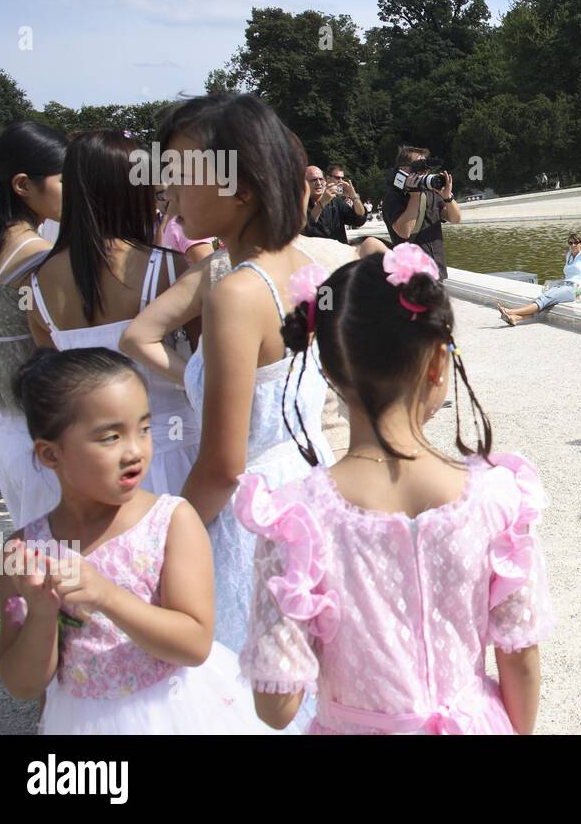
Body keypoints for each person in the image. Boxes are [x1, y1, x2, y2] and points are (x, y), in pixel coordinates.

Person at [235, 246, 553, 734]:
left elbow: (275, 706)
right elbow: (520, 659)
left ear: (329, 366)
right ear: (437, 363)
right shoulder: (499, 500)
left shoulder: (296, 519)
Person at [119, 94, 354, 658]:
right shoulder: (301, 267)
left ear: (241, 185)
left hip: (253, 514)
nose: (167, 190)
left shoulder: (235, 292)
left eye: (179, 173)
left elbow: (224, 466)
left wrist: (164, 546)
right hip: (308, 480)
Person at [0, 348, 267, 734]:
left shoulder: (173, 521)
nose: (135, 450)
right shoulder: (22, 553)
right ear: (50, 454)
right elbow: (22, 684)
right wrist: (41, 613)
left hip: (178, 712)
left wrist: (106, 596)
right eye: (110, 437)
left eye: (143, 428)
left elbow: (194, 645)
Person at [27, 130, 201, 497]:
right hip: (173, 454)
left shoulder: (38, 283)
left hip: (92, 469)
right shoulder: (169, 271)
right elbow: (207, 368)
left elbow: (50, 380)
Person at [0, 122, 67, 527]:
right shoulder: (38, 258)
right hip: (45, 437)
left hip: (8, 436)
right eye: (65, 179)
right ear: (22, 185)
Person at [381, 145, 461, 277]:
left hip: (436, 270)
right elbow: (404, 232)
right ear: (404, 169)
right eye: (420, 166)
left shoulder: (430, 192)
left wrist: (447, 197)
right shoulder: (393, 196)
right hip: (412, 275)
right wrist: (415, 197)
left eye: (426, 167)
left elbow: (455, 218)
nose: (425, 171)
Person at [496, 233, 581, 326]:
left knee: (544, 299)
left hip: (577, 288)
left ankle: (510, 312)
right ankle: (514, 318)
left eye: (576, 242)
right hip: (564, 285)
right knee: (544, 301)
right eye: (570, 243)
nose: (573, 245)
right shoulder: (569, 255)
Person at [303, 165, 365, 245]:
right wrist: (322, 203)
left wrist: (354, 197)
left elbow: (359, 219)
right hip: (315, 254)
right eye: (314, 180)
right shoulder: (299, 205)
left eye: (321, 179)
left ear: (325, 180)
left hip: (338, 253)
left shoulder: (336, 202)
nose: (318, 183)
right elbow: (306, 229)